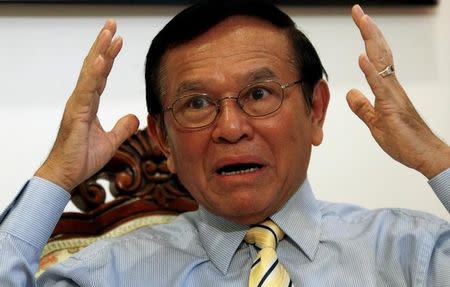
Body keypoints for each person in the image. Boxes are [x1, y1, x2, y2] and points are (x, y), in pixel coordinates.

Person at [1, 0, 449, 286]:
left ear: (315, 110)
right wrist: (56, 175)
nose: (231, 128)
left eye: (259, 94)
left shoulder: (414, 254)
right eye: (197, 103)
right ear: (164, 140)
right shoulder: (106, 274)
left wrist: (436, 158)